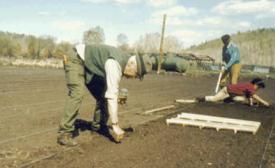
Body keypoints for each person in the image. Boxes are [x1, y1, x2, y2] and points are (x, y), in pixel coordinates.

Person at [57, 44, 152, 146]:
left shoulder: (125, 61)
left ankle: (98, 127)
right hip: (76, 58)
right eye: (136, 74)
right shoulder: (115, 64)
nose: (134, 77)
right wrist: (115, 125)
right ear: (132, 64)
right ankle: (64, 133)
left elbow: (110, 92)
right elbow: (112, 96)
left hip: (89, 65)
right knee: (77, 93)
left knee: (103, 94)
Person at [196, 78, 270, 107]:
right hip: (227, 91)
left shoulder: (250, 87)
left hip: (231, 93)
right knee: (214, 99)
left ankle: (227, 100)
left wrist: (251, 104)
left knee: (241, 99)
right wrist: (264, 102)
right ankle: (202, 99)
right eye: (258, 87)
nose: (258, 89)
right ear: (255, 84)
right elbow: (254, 96)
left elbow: (250, 96)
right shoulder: (250, 87)